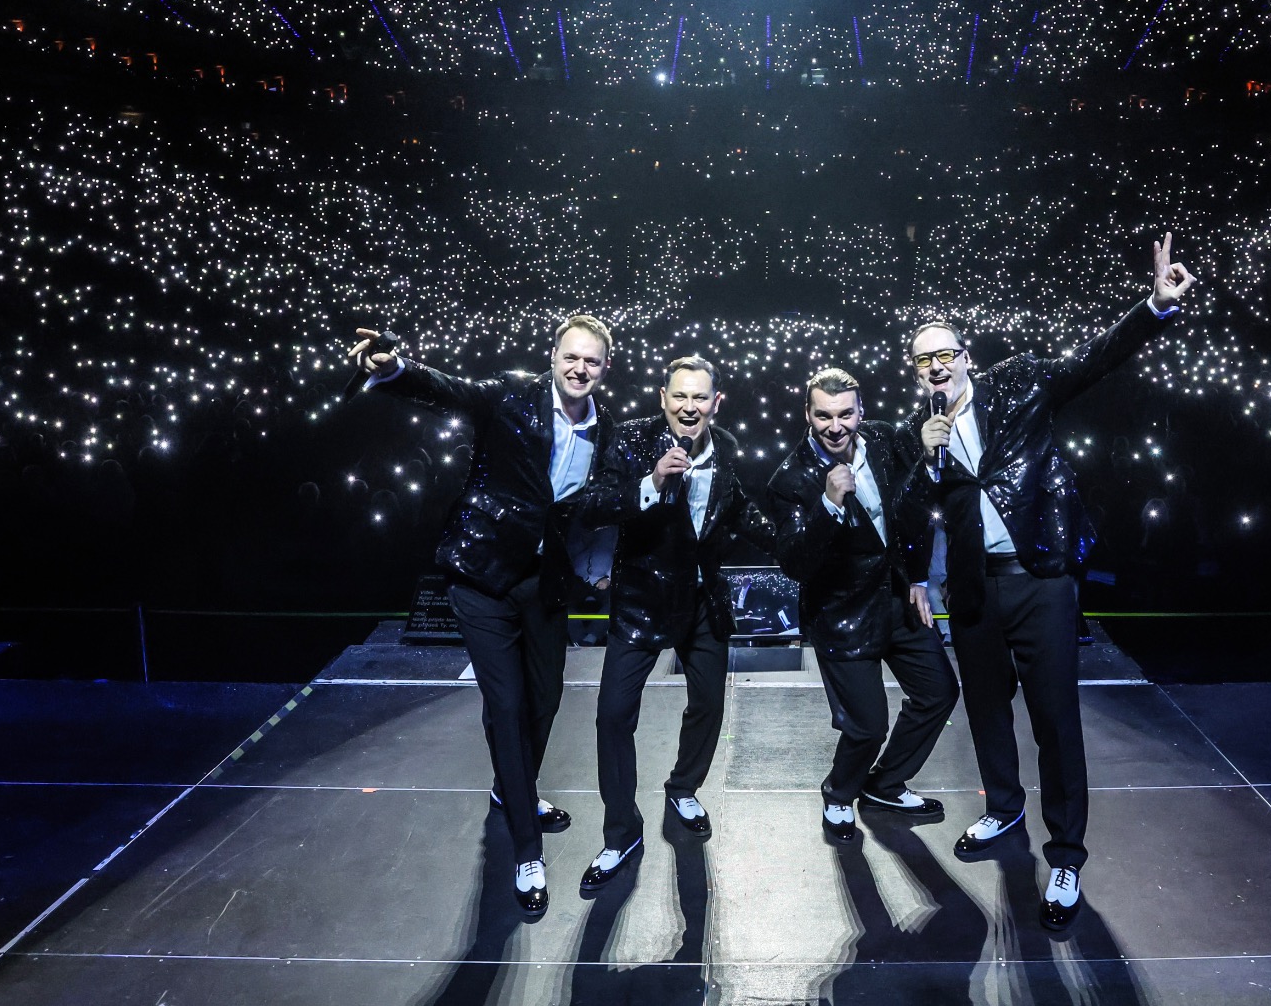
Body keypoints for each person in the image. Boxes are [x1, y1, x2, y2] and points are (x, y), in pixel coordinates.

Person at [896, 233, 1194, 932]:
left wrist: (1153, 306)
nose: (937, 367)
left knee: (1055, 720)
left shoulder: (1020, 382)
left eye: (945, 354)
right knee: (987, 712)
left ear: (965, 357)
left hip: (1039, 579)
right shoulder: (921, 433)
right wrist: (924, 464)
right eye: (924, 360)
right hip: (974, 589)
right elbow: (909, 516)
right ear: (916, 371)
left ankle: (1065, 855)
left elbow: (1095, 359)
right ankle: (1004, 808)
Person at [348, 315, 618, 915]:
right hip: (482, 574)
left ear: (605, 368)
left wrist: (597, 562)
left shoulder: (604, 428)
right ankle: (526, 849)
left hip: (543, 582)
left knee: (545, 699)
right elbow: (450, 389)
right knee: (508, 705)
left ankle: (510, 788)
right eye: (571, 357)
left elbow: (589, 506)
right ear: (553, 356)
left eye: (591, 361)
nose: (579, 369)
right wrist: (396, 369)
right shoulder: (513, 394)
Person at [577, 355, 774, 891]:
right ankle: (621, 832)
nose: (689, 407)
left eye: (699, 397)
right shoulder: (632, 439)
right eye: (679, 396)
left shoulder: (727, 447)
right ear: (663, 397)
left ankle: (683, 787)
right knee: (613, 716)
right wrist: (650, 481)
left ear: (716, 402)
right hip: (641, 601)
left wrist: (797, 542)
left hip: (702, 601)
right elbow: (593, 504)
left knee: (708, 704)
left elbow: (739, 510)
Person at [767, 367, 958, 841]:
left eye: (845, 414)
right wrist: (829, 505)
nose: (836, 427)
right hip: (843, 616)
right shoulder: (789, 478)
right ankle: (839, 793)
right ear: (807, 415)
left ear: (860, 411)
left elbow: (910, 512)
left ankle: (886, 784)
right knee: (868, 727)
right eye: (824, 416)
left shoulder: (883, 439)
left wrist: (917, 577)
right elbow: (795, 563)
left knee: (939, 693)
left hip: (898, 599)